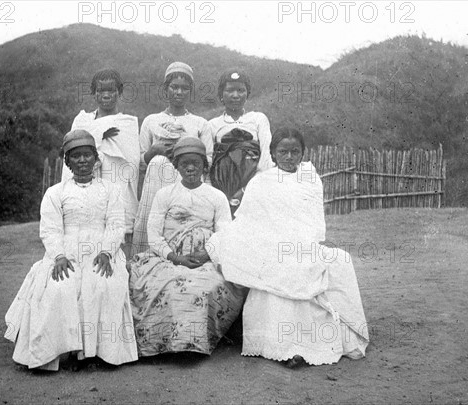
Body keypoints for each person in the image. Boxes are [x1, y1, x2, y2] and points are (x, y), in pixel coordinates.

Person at [208, 128, 369, 367]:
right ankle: (283, 346)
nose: (289, 157)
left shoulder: (310, 179)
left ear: (303, 153)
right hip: (268, 242)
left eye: (295, 152)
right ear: (273, 154)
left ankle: (313, 343)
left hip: (302, 241)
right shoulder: (262, 181)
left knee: (336, 260)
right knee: (281, 267)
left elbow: (314, 221)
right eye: (283, 151)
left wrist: (303, 243)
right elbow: (250, 220)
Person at [5, 130, 138, 371]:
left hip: (101, 250)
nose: (83, 161)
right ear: (67, 161)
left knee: (101, 285)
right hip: (66, 252)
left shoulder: (111, 190)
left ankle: (95, 354)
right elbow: (50, 230)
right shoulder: (55, 193)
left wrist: (107, 253)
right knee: (60, 286)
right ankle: (59, 350)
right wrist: (58, 256)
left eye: (87, 155)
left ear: (96, 158)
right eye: (76, 157)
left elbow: (117, 224)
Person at [129, 137, 246, 357]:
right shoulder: (164, 195)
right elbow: (154, 235)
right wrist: (175, 258)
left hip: (205, 258)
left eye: (195, 163)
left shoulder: (216, 196)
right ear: (176, 167)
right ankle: (167, 345)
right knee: (165, 286)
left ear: (204, 165)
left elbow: (225, 233)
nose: (190, 168)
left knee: (205, 286)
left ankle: (193, 344)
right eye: (184, 164)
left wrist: (206, 254)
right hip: (168, 258)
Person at [132, 62, 213, 255]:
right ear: (165, 89)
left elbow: (208, 160)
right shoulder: (151, 121)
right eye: (174, 87)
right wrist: (155, 150)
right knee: (155, 225)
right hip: (156, 185)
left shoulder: (200, 123)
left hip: (188, 184)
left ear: (190, 92)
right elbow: (141, 160)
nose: (179, 92)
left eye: (184, 88)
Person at [61, 69, 140, 258]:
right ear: (93, 92)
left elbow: (132, 160)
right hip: (87, 184)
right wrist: (100, 136)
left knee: (117, 247)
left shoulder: (126, 123)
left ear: (119, 93)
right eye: (100, 90)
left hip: (116, 185)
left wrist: (98, 144)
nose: (105, 95)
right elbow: (71, 151)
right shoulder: (82, 120)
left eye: (111, 90)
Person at [208, 69, 272, 214]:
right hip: (221, 192)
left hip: (254, 189)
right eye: (230, 90)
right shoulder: (212, 125)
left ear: (247, 94)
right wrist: (216, 195)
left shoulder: (258, 120)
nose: (235, 95)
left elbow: (266, 160)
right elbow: (208, 163)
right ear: (221, 95)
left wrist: (246, 191)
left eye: (241, 90)